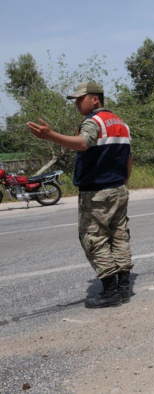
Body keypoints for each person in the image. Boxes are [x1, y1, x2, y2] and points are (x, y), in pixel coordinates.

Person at [27, 81, 134, 308]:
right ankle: (124, 287)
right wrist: (124, 179)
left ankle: (110, 291)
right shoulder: (121, 124)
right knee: (119, 235)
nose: (76, 104)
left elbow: (83, 143)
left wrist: (50, 135)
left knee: (93, 238)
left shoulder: (93, 122)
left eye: (79, 99)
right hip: (118, 189)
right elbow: (129, 155)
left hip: (96, 192)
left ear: (95, 99)